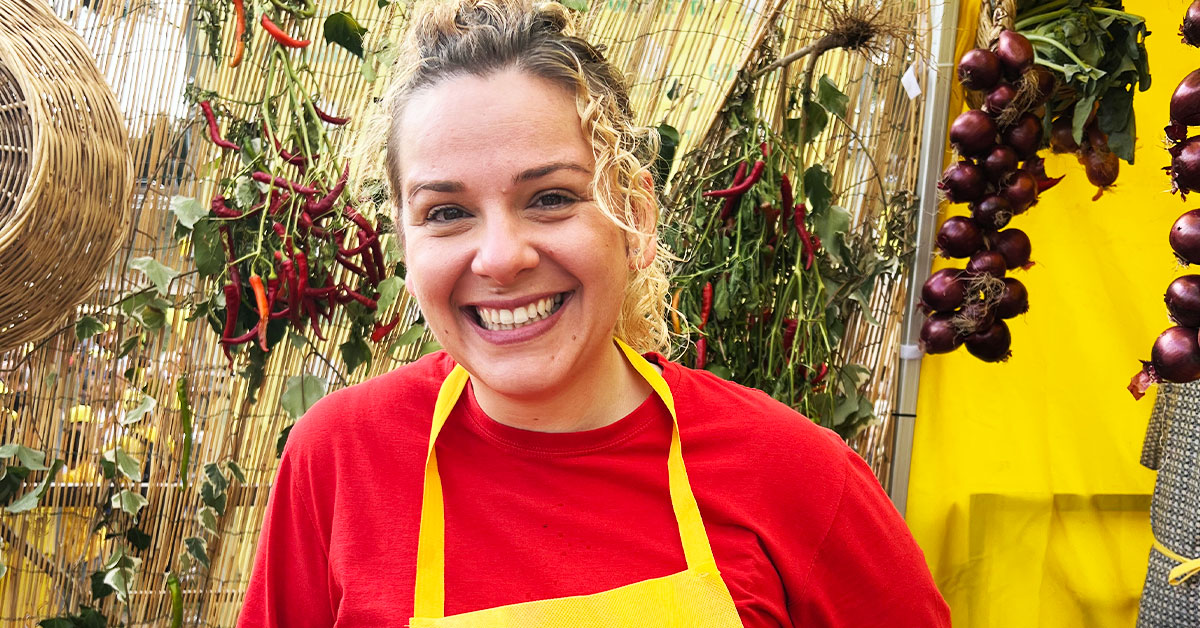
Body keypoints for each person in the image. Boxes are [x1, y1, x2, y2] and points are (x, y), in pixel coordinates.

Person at [237, 1, 951, 626]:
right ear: (404, 241)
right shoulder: (339, 460)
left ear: (635, 218)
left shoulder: (796, 477)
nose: (499, 257)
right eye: (447, 212)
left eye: (550, 197)